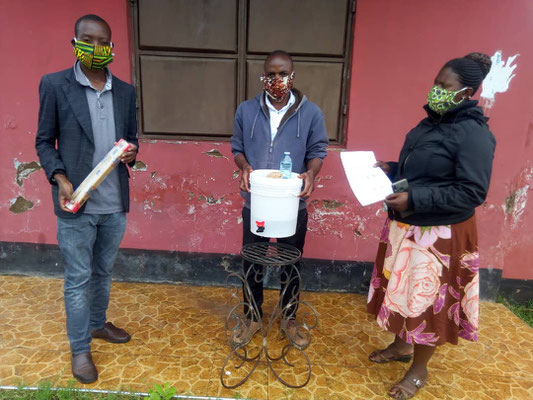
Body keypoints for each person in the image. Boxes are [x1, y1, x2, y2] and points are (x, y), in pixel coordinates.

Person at [368, 53, 496, 399]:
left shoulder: (473, 134)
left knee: (426, 303)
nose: (436, 89)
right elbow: (425, 172)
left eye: (444, 85)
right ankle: (401, 346)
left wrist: (415, 200)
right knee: (406, 294)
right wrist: (392, 170)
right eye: (436, 82)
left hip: (440, 234)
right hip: (410, 226)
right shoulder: (431, 123)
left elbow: (472, 191)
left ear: (465, 91)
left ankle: (419, 370)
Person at [35, 14, 138, 384]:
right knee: (78, 279)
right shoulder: (55, 85)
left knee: (103, 272)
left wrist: (132, 153)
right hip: (74, 203)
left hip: (113, 203)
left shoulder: (125, 92)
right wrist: (59, 178)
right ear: (75, 42)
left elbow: (132, 139)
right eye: (88, 40)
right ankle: (80, 348)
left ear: (111, 46)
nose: (96, 47)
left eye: (103, 41)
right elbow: (44, 141)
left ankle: (97, 325)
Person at [230, 50, 329, 348]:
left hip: (292, 204)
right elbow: (237, 147)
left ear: (292, 76)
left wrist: (311, 173)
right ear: (263, 77)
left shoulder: (311, 113)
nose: (276, 80)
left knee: (292, 263)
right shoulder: (246, 110)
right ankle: (253, 316)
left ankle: (289, 317)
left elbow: (318, 151)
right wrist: (244, 166)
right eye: (270, 74)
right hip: (256, 203)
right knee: (252, 262)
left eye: (282, 74)